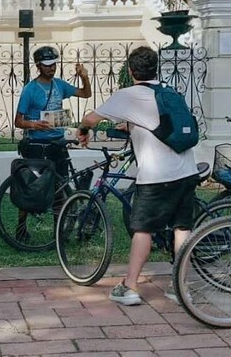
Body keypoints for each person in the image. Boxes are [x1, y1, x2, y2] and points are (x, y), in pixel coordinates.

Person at [76, 46, 199, 306]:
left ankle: (129, 286)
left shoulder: (128, 95)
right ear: (155, 68)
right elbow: (160, 121)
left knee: (143, 229)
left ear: (131, 71)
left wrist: (83, 130)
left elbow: (91, 118)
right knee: (182, 228)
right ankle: (179, 287)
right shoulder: (168, 92)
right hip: (187, 170)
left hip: (157, 175)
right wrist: (130, 124)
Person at [12, 46, 91, 240]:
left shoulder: (59, 85)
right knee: (30, 186)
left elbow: (85, 94)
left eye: (54, 64)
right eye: (47, 65)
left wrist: (84, 76)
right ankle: (21, 228)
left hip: (57, 142)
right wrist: (34, 124)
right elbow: (18, 121)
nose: (51, 68)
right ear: (38, 66)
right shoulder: (30, 90)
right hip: (36, 145)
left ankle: (59, 230)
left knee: (60, 186)